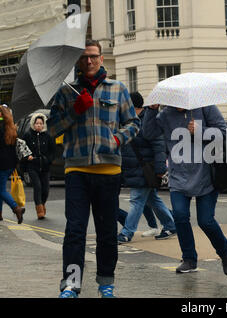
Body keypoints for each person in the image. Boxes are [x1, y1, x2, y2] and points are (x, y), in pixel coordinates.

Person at [47, 39, 140, 298]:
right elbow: (53, 129)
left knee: (107, 232)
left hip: (109, 171)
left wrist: (118, 139)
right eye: (84, 57)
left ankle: (106, 283)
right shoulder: (66, 92)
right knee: (75, 231)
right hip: (76, 170)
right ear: (78, 60)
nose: (89, 61)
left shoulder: (117, 89)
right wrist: (75, 111)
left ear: (101, 59)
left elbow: (133, 122)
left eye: (93, 56)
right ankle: (71, 284)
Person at [142, 104, 227, 276]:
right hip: (179, 176)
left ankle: (224, 252)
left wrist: (201, 130)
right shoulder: (165, 114)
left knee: (206, 221)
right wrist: (151, 111)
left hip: (206, 174)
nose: (177, 106)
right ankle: (189, 259)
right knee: (180, 216)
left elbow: (223, 133)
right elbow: (148, 133)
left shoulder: (206, 108)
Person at [117, 92, 176, 243]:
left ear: (133, 106)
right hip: (136, 169)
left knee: (136, 200)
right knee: (152, 200)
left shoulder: (148, 121)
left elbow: (159, 147)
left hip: (145, 169)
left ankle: (127, 232)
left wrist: (160, 169)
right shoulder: (127, 121)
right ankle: (171, 225)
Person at [23, 113, 56, 220]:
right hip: (32, 166)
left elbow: (53, 151)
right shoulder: (28, 135)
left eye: (41, 123)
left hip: (45, 167)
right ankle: (39, 209)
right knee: (37, 186)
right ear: (33, 124)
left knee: (45, 190)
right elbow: (22, 148)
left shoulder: (48, 136)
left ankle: (42, 204)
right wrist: (28, 157)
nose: (38, 125)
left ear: (44, 125)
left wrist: (48, 160)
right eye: (37, 123)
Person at [0, 105, 27, 224]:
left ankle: (16, 208)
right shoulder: (11, 127)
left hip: (1, 164)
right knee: (0, 188)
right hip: (10, 164)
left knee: (1, 190)